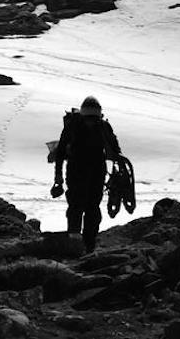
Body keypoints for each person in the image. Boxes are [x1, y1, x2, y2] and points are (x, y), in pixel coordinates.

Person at [51, 95, 121, 251]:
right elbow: (61, 151)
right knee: (77, 206)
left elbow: (116, 152)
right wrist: (58, 177)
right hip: (77, 172)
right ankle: (76, 243)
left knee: (91, 208)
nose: (91, 122)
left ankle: (88, 245)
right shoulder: (74, 127)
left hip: (94, 173)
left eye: (93, 119)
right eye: (89, 119)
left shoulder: (102, 127)